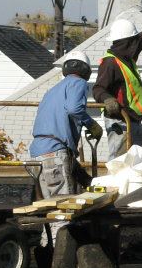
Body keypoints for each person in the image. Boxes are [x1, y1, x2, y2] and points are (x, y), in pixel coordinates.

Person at [30, 51, 103, 243]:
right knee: (63, 213)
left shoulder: (52, 90)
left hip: (37, 154)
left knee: (49, 212)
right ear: (85, 70)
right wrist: (91, 124)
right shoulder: (77, 83)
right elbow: (74, 108)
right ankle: (63, 261)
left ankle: (47, 255)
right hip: (55, 152)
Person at [92, 18, 142, 159]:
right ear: (127, 42)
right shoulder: (110, 63)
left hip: (133, 118)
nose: (136, 43)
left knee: (138, 158)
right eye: (133, 40)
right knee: (120, 159)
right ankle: (116, 182)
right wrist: (108, 99)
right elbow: (98, 88)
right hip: (119, 120)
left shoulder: (127, 55)